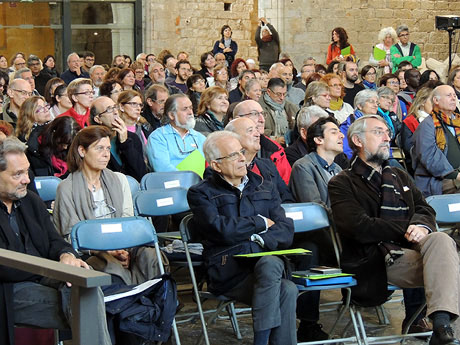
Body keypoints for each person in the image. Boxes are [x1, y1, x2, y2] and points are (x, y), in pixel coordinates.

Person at [329, 114, 460, 345]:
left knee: (439, 238)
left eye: (388, 133)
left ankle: (440, 326)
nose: (387, 138)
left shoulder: (398, 174)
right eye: (378, 132)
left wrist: (420, 226)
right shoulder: (342, 182)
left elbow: (424, 208)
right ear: (358, 140)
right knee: (451, 265)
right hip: (376, 259)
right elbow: (359, 227)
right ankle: (442, 331)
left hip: (415, 251)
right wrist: (406, 229)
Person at [187, 130, 297, 345]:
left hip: (265, 268)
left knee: (280, 277)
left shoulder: (264, 185)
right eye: (233, 155)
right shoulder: (201, 193)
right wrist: (260, 222)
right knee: (283, 283)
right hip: (229, 270)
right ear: (216, 165)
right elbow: (220, 229)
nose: (242, 158)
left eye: (242, 152)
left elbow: (286, 229)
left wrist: (258, 240)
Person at [0, 136, 112, 345]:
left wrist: (66, 256)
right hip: (9, 289)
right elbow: (6, 268)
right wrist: (54, 267)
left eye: (27, 171)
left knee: (86, 288)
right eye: (17, 174)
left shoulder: (29, 200)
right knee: (90, 306)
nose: (27, 179)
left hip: (44, 276)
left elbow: (54, 240)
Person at [53, 126, 165, 286]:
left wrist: (123, 249)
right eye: (99, 149)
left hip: (124, 245)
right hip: (90, 250)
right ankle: (129, 305)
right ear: (82, 151)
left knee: (152, 257)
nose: (106, 154)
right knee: (108, 265)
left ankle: (154, 304)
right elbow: (70, 234)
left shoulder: (119, 180)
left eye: (107, 148)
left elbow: (128, 221)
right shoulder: (66, 187)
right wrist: (106, 250)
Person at [225, 117, 294, 203]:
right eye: (250, 131)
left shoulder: (268, 165)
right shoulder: (224, 169)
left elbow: (287, 198)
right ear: (233, 138)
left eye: (257, 130)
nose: (258, 135)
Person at [413, 85, 460, 196]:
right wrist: (455, 175)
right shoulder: (427, 125)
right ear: (436, 100)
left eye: (454, 95)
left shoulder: (457, 122)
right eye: (449, 95)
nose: (453, 98)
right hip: (441, 180)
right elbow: (429, 156)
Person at [233, 99, 293, 184]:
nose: (262, 120)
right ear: (238, 119)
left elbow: (286, 185)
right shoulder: (221, 149)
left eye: (263, 114)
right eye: (255, 114)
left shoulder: (275, 149)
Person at [90, 96, 146, 182]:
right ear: (98, 119)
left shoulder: (132, 138)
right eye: (109, 110)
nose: (115, 112)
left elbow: (141, 174)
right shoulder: (93, 143)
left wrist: (125, 143)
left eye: (115, 107)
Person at [147, 94, 206, 172]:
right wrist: (189, 179)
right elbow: (162, 168)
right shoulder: (158, 137)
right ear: (171, 115)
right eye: (185, 109)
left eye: (191, 108)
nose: (190, 112)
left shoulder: (201, 138)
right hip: (171, 182)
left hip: (200, 182)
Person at [400, 87, 433, 175]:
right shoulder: (410, 121)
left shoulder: (439, 120)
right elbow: (409, 149)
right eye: (432, 101)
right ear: (422, 102)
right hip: (419, 165)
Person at [340, 89, 379, 158]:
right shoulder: (349, 125)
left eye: (377, 103)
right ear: (359, 106)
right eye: (371, 102)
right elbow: (347, 151)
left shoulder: (378, 122)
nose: (375, 105)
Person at [259, 78, 298, 146]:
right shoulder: (258, 107)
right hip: (267, 146)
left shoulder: (291, 107)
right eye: (278, 94)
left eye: (284, 94)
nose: (282, 98)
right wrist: (274, 139)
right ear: (268, 92)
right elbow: (255, 130)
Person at [117, 90, 151, 166]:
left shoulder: (144, 126)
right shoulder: (118, 130)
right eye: (133, 104)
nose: (138, 108)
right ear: (121, 107)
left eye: (140, 105)